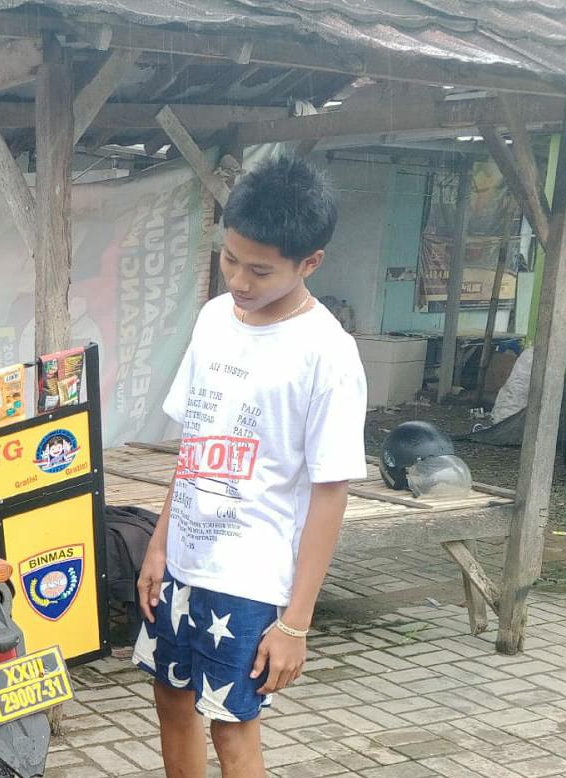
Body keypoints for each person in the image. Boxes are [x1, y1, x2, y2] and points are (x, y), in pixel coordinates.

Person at [133, 155, 367, 777]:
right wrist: (159, 546)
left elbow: (331, 493)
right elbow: (194, 445)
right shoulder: (214, 319)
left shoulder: (327, 354)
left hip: (251, 576)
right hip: (183, 560)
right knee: (170, 698)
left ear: (310, 262)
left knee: (231, 727)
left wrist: (297, 623)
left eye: (260, 270)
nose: (238, 279)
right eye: (230, 259)